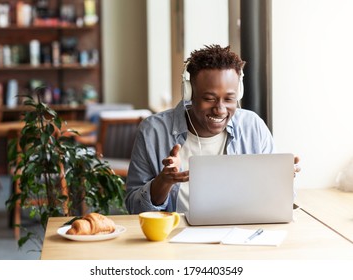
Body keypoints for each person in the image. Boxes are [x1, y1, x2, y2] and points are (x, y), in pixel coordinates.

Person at [125, 44, 300, 214]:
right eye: (209, 99)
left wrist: (281, 180)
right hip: (175, 237)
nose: (220, 109)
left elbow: (279, 203)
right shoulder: (153, 131)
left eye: (229, 99)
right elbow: (134, 208)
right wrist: (163, 182)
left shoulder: (252, 127)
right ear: (189, 94)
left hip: (240, 235)